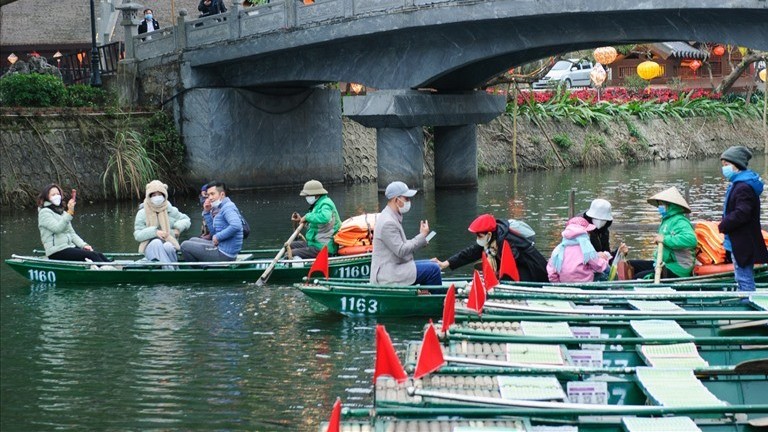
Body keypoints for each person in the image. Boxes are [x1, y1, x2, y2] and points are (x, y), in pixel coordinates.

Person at [433, 214, 549, 282]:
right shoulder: (491, 239)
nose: (478, 238)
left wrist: (496, 276)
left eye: (479, 235)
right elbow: (471, 253)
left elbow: (510, 267)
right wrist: (446, 263)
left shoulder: (506, 241)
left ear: (489, 234)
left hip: (532, 270)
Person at [370, 181, 441, 286]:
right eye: (406, 198)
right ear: (396, 200)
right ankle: (437, 301)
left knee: (432, 264)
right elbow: (401, 250)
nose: (409, 201)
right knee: (433, 269)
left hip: (395, 266)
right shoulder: (388, 222)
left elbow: (399, 245)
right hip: (388, 274)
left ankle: (425, 296)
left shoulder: (391, 216)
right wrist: (421, 236)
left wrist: (422, 241)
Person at [718, 146, 768, 291]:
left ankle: (748, 305)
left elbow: (742, 213)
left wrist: (723, 224)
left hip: (743, 242)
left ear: (737, 165)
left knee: (744, 278)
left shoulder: (743, 187)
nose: (724, 169)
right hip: (740, 240)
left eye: (727, 165)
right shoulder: (739, 184)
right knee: (741, 276)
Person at [625, 187, 697, 279]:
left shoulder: (680, 221)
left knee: (639, 277)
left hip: (678, 268)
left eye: (662, 204)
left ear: (670, 205)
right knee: (631, 264)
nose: (660, 207)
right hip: (663, 263)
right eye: (659, 204)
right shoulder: (666, 221)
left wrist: (664, 239)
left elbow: (691, 240)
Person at [37, 184, 110, 262]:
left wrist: (84, 245)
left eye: (58, 194)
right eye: (53, 194)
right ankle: (107, 270)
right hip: (56, 251)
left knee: (97, 254)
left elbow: (72, 233)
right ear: (46, 197)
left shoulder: (63, 213)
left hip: (68, 247)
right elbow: (57, 228)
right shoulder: (44, 212)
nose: (56, 196)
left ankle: (113, 268)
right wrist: (70, 212)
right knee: (92, 256)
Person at [133, 180, 191, 270]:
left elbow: (186, 219)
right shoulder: (142, 213)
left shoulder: (171, 210)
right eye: (154, 195)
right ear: (149, 196)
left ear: (164, 195)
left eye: (159, 194)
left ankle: (171, 269)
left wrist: (178, 229)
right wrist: (155, 232)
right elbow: (138, 235)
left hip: (169, 243)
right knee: (156, 243)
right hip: (150, 247)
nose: (157, 197)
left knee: (168, 246)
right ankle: (171, 270)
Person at [180, 181, 243, 262]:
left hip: (225, 254)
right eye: (208, 194)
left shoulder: (228, 207)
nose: (209, 198)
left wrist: (218, 237)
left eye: (212, 194)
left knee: (185, 245)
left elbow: (236, 226)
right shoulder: (220, 207)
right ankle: (203, 266)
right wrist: (206, 212)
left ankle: (197, 272)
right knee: (192, 240)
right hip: (221, 248)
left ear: (222, 195)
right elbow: (214, 233)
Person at [547, 217, 611, 282]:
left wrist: (558, 284)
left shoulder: (558, 249)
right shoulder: (586, 248)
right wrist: (605, 261)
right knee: (604, 273)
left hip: (564, 285)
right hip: (585, 285)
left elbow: (552, 272)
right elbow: (598, 265)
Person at [290, 180, 342, 258]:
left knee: (291, 253)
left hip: (324, 248)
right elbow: (317, 227)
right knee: (289, 246)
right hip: (315, 243)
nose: (306, 197)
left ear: (317, 194)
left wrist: (307, 217)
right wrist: (302, 220)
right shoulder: (317, 205)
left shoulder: (325, 203)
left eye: (308, 195)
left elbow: (325, 218)